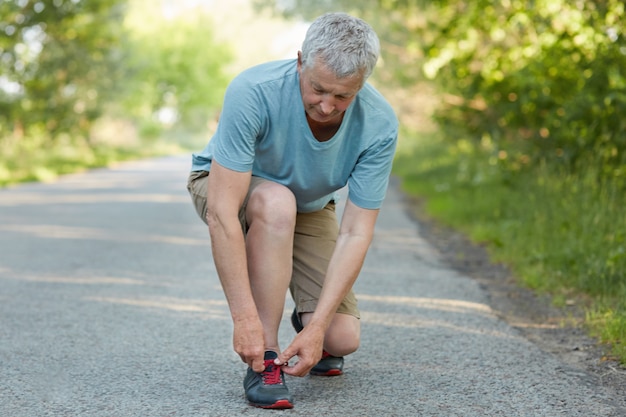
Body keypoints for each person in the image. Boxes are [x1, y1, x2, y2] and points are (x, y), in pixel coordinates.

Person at [187, 12, 398, 409]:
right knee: (276, 202)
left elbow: (356, 231)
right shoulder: (254, 90)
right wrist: (245, 321)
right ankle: (265, 358)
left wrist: (317, 326)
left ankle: (307, 327)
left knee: (342, 338)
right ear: (300, 60)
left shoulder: (380, 123)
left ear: (363, 83)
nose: (326, 105)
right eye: (318, 88)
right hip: (226, 188)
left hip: (309, 205)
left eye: (343, 96)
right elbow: (221, 213)